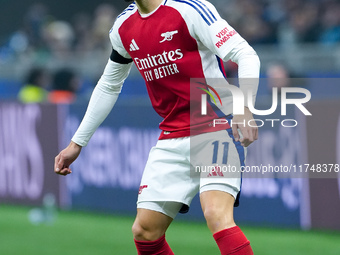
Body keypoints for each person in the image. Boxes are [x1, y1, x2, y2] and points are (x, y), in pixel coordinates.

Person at [54, 0, 260, 254]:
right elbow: (109, 84)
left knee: (216, 215)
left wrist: (244, 108)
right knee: (145, 231)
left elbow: (245, 54)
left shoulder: (190, 9)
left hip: (216, 125)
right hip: (172, 135)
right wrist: (77, 143)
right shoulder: (123, 27)